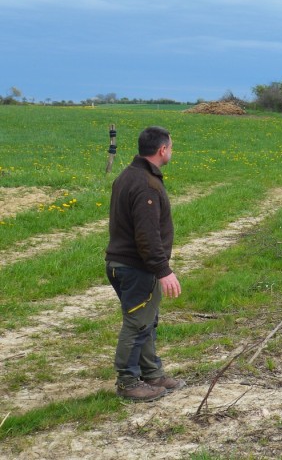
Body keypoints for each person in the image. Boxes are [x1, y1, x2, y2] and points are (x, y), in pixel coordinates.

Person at [105, 126, 186, 402]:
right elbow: (147, 235)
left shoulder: (128, 176)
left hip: (123, 263)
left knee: (147, 320)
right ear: (162, 150)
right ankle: (127, 382)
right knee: (138, 323)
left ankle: (152, 374)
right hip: (136, 266)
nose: (172, 152)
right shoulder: (145, 184)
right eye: (171, 147)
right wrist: (163, 270)